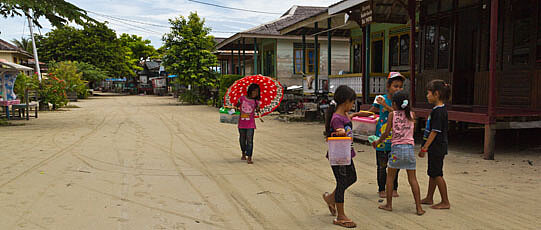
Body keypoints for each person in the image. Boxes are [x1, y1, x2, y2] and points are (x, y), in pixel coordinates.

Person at [373, 91, 425, 215]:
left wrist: (378, 141)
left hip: (396, 149)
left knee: (390, 177)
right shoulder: (412, 114)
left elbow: (386, 133)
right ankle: (419, 208)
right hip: (409, 150)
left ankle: (389, 205)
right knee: (413, 179)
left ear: (394, 104)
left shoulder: (392, 114)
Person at [354, 72, 404, 198]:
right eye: (395, 86)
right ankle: (381, 189)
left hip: (396, 139)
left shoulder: (401, 102)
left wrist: (385, 106)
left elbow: (400, 114)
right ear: (388, 86)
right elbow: (371, 112)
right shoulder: (380, 99)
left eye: (400, 86)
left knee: (395, 165)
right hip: (381, 138)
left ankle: (393, 188)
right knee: (381, 166)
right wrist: (356, 115)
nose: (398, 89)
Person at [322, 85, 358, 228]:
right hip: (338, 156)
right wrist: (340, 132)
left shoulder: (344, 115)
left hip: (346, 154)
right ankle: (340, 216)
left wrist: (357, 115)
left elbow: (348, 120)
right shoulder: (336, 118)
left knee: (352, 178)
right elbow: (337, 130)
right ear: (345, 102)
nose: (353, 105)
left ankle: (330, 198)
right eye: (352, 102)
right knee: (342, 182)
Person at [419, 80, 451, 209]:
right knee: (432, 172)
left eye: (428, 93)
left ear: (436, 94)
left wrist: (425, 147)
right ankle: (429, 197)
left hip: (437, 147)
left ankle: (445, 201)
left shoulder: (439, 112)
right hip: (435, 147)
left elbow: (434, 132)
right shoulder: (437, 110)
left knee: (437, 173)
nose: (427, 96)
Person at [236, 84, 261, 164]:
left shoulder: (256, 101)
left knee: (250, 140)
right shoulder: (242, 98)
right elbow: (236, 106)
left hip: (250, 124)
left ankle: (249, 157)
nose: (256, 93)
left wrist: (258, 109)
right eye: (254, 91)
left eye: (257, 92)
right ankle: (243, 152)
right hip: (242, 123)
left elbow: (258, 111)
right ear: (250, 90)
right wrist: (237, 105)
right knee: (242, 140)